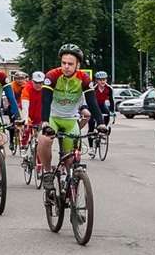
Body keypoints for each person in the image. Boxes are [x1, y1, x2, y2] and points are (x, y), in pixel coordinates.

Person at [37, 44, 106, 182]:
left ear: (77, 65)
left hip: (70, 120)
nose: (66, 66)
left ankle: (70, 188)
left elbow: (92, 102)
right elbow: (46, 100)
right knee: (44, 140)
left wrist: (101, 123)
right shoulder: (52, 75)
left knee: (70, 160)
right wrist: (45, 122)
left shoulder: (84, 78)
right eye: (64, 63)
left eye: (70, 64)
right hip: (53, 118)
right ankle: (48, 172)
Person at [20, 70, 45, 173]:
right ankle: (24, 146)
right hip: (29, 114)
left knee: (40, 141)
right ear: (32, 81)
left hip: (40, 116)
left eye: (41, 83)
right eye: (36, 82)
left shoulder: (45, 89)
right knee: (26, 128)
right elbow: (25, 106)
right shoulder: (27, 88)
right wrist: (26, 120)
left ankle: (40, 165)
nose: (39, 85)